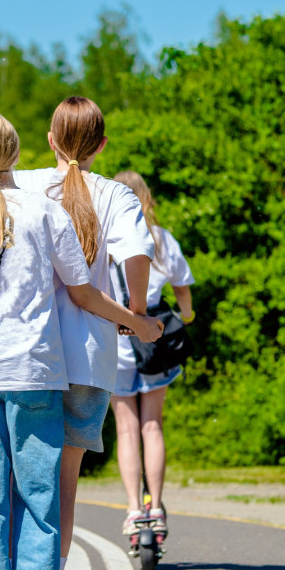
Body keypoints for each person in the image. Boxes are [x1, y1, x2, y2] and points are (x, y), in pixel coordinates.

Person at [0, 111, 159, 570]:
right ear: (102, 144)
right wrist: (137, 317)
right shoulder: (74, 202)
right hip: (56, 364)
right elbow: (101, 280)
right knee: (47, 497)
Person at [13, 96, 157, 570]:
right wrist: (135, 314)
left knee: (21, 484)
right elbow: (136, 257)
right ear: (101, 145)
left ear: (50, 140)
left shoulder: (24, 184)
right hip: (89, 359)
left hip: (25, 358)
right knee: (63, 488)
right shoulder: (117, 197)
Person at [109, 170, 196, 540]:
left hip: (115, 342)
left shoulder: (104, 239)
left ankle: (132, 509)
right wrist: (187, 316)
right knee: (152, 426)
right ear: (148, 199)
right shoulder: (160, 239)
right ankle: (156, 506)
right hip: (154, 338)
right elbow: (183, 287)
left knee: (126, 429)